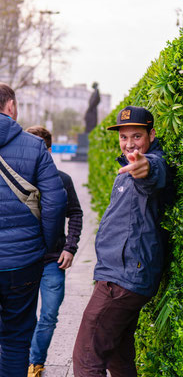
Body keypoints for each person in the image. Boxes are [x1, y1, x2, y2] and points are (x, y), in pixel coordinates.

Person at [73, 106, 173, 377]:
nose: (129, 144)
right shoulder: (124, 169)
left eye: (137, 136)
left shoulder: (151, 163)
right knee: (119, 360)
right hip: (120, 274)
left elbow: (154, 172)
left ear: (151, 134)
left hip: (122, 279)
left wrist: (146, 166)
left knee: (86, 358)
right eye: (124, 137)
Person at [0, 83, 67, 377]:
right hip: (22, 262)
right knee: (16, 338)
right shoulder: (34, 146)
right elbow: (56, 202)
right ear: (11, 106)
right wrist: (43, 245)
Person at [25, 126, 83, 377]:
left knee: (48, 316)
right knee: (22, 317)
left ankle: (35, 363)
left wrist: (70, 248)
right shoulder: (16, 180)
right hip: (23, 261)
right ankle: (24, 361)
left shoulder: (63, 180)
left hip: (53, 262)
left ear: (49, 150)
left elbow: (76, 214)